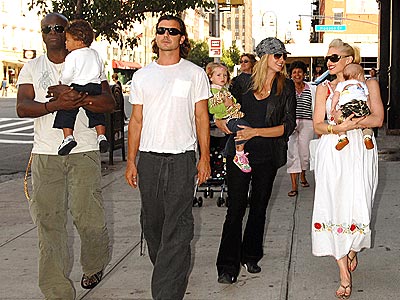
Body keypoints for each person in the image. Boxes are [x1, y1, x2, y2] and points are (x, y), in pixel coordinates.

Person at [16, 13, 114, 300]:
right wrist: (55, 105)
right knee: (49, 223)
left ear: (69, 32)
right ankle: (56, 291)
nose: (54, 32)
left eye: (59, 27)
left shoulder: (89, 58)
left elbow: (108, 102)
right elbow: (22, 106)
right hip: (46, 154)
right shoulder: (32, 67)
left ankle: (95, 264)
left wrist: (79, 99)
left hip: (83, 150)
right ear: (42, 34)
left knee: (90, 219)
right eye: (48, 29)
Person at [124, 15, 211, 300]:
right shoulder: (142, 75)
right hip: (149, 159)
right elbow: (136, 121)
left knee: (178, 224)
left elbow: (201, 117)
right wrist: (131, 161)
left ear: (182, 38)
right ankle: (168, 271)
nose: (165, 35)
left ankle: (166, 292)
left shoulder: (195, 73)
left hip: (182, 158)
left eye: (172, 32)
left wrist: (204, 157)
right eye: (161, 31)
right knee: (152, 223)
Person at [214, 37, 296, 284]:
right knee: (235, 208)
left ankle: (251, 254)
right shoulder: (241, 83)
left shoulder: (287, 86)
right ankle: (227, 266)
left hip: (267, 155)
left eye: (283, 56)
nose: (282, 60)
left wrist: (255, 132)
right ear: (264, 58)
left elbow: (288, 126)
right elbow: (221, 110)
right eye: (277, 56)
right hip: (238, 155)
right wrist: (223, 124)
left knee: (259, 207)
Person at [311, 39, 383, 299]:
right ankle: (343, 271)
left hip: (362, 150)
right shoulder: (324, 88)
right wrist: (338, 128)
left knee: (360, 202)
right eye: (326, 59)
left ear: (348, 60)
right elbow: (318, 125)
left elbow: (377, 119)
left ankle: (351, 247)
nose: (328, 63)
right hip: (334, 149)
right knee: (332, 204)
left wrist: (351, 124)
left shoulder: (369, 84)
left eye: (333, 58)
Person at [53, 19, 109, 155]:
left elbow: (67, 75)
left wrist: (63, 84)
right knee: (96, 112)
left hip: (78, 86)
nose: (65, 43)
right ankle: (101, 136)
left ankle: (68, 137)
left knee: (67, 111)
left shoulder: (72, 56)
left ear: (78, 41)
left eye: (68, 40)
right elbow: (101, 70)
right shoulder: (95, 54)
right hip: (95, 87)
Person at [206, 62, 251, 173]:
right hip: (225, 118)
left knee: (246, 129)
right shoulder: (212, 92)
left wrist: (232, 103)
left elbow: (233, 101)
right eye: (219, 75)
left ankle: (233, 152)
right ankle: (239, 155)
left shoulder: (224, 90)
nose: (222, 77)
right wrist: (226, 105)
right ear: (210, 77)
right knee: (244, 127)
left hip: (232, 115)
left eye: (225, 75)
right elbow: (211, 108)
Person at [286, 60, 316, 197]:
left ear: (304, 73)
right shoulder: (287, 89)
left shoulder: (312, 89)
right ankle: (293, 186)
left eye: (299, 72)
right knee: (292, 153)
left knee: (304, 153)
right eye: (294, 72)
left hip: (307, 123)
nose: (297, 74)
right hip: (291, 123)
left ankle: (303, 175)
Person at [330, 63, 374, 151]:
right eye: (363, 75)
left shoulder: (341, 84)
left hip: (347, 107)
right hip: (361, 105)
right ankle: (367, 137)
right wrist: (369, 109)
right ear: (358, 75)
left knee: (340, 122)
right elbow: (367, 98)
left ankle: (343, 137)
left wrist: (333, 107)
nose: (364, 77)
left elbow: (336, 96)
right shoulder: (363, 85)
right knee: (367, 125)